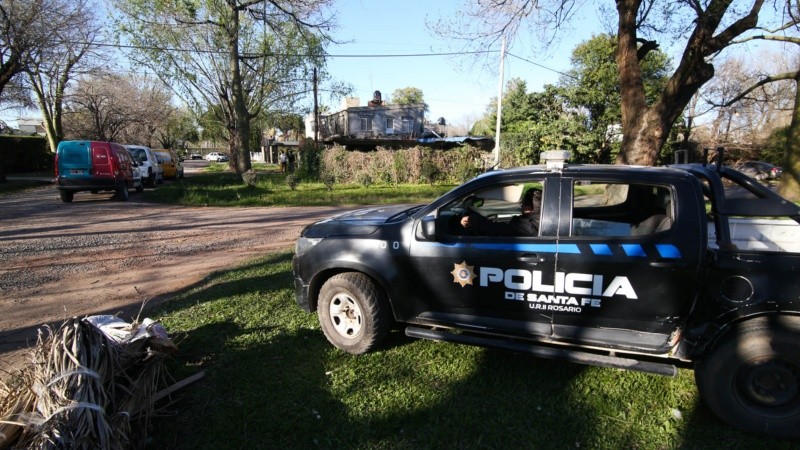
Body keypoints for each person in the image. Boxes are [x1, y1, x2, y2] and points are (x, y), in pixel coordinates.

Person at [459, 188, 541, 236]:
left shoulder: (526, 226)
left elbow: (494, 229)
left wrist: (471, 219)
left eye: (523, 203)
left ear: (530, 208)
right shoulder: (538, 220)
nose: (521, 206)